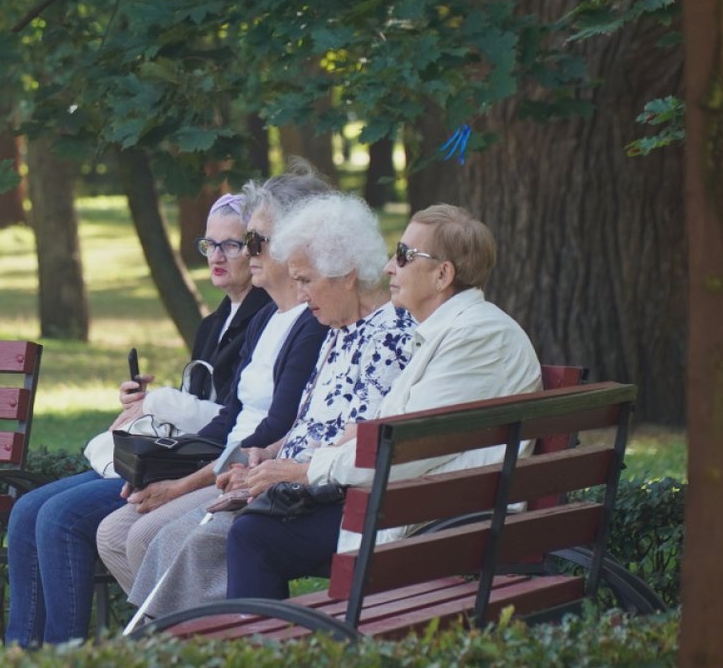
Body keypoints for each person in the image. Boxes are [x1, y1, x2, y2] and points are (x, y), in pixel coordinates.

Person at [111, 191, 415, 618]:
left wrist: (277, 472)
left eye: (307, 280)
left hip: (331, 498)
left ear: (347, 274)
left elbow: (359, 444)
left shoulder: (388, 336)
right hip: (290, 486)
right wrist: (265, 454)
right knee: (182, 534)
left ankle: (209, 646)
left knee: (214, 537)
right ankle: (190, 645)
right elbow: (312, 424)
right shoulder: (338, 328)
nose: (302, 294)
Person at [223, 203, 541, 600]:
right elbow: (408, 430)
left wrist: (303, 472)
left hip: (441, 521)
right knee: (256, 530)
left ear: (443, 275)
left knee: (255, 536)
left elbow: (402, 450)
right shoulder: (453, 332)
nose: (390, 266)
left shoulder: (476, 338)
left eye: (405, 256)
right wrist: (361, 435)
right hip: (426, 504)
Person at [3, 192, 270, 646]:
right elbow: (201, 401)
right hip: (174, 452)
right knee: (27, 508)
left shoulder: (267, 316)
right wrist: (144, 402)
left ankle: (63, 655)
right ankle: (21, 653)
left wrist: (164, 406)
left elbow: (229, 418)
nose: (218, 257)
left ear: (257, 247)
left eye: (231, 245)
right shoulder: (214, 323)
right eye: (209, 245)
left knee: (59, 517)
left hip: (193, 466)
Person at [94, 167, 332, 597]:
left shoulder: (312, 324)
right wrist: (165, 465)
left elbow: (274, 430)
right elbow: (231, 418)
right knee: (113, 533)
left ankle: (200, 642)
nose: (247, 251)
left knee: (143, 536)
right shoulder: (264, 319)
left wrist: (184, 484)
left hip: (249, 474)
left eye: (254, 241)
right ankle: (187, 640)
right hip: (223, 465)